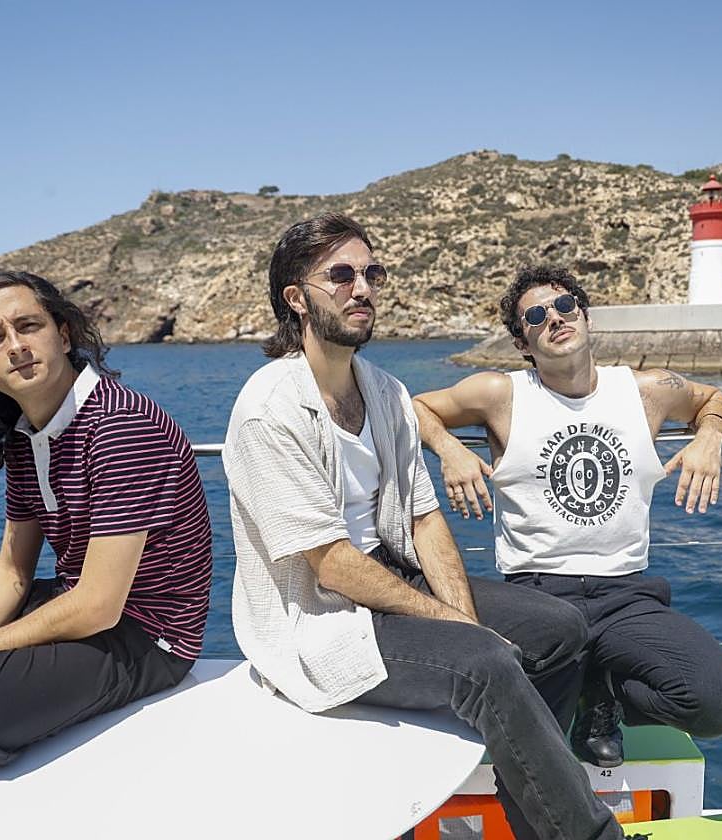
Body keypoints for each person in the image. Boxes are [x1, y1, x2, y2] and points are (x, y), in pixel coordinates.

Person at [223, 215, 622, 840]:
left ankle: (534, 814)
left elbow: (423, 516)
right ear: (296, 299)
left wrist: (460, 612)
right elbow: (328, 563)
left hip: (392, 575)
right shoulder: (269, 410)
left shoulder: (384, 391)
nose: (362, 288)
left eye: (371, 273)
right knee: (486, 662)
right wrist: (460, 629)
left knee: (561, 629)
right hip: (322, 615)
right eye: (341, 275)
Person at [412, 265, 722, 768]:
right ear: (523, 343)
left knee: (717, 704)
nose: (555, 318)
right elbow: (413, 406)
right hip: (537, 597)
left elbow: (711, 399)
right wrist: (448, 449)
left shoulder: (645, 390)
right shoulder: (501, 394)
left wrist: (709, 437)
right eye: (536, 316)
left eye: (565, 305)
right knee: (528, 748)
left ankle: (603, 690)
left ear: (586, 317)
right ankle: (579, 691)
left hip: (625, 596)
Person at [0, 270, 212, 765]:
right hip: (81, 599)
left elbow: (100, 607)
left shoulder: (120, 427)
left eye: (28, 326)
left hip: (148, 635)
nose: (16, 346)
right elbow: (13, 569)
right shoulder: (28, 436)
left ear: (63, 335)